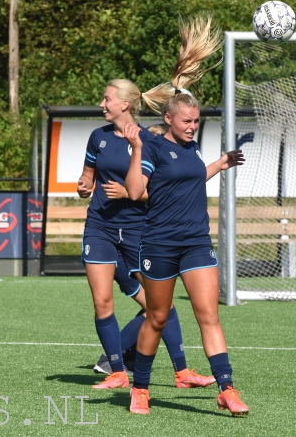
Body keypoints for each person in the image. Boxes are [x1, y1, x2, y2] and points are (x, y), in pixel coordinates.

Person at [121, 14, 250, 416]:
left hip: (195, 241)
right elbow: (135, 191)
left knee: (208, 315)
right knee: (156, 318)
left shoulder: (191, 148)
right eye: (187, 121)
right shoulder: (155, 147)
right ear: (168, 120)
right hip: (159, 243)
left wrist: (220, 163)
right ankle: (140, 388)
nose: (193, 126)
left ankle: (227, 388)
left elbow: (190, 178)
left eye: (196, 121)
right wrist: (138, 149)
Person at [77, 79, 216, 390]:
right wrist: (84, 186)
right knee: (102, 303)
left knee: (159, 307)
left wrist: (128, 193)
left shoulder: (149, 141)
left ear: (125, 104)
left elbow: (162, 192)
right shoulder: (97, 138)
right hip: (100, 228)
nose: (102, 103)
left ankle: (182, 372)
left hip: (140, 232)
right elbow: (87, 176)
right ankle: (116, 371)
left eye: (107, 98)